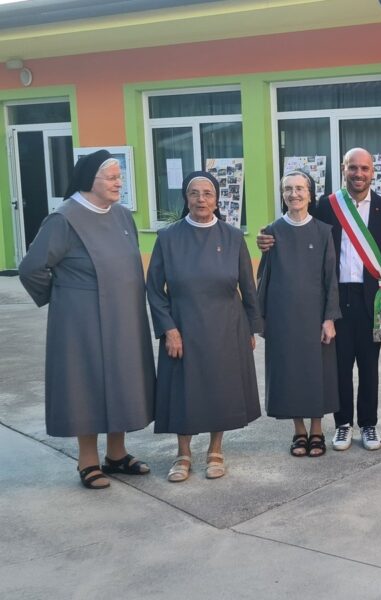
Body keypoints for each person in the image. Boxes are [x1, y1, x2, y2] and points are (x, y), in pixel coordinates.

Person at [18, 150, 155, 489]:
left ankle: (117, 454)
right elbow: (32, 268)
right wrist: (63, 296)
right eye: (111, 177)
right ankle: (88, 460)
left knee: (122, 379)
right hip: (81, 321)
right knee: (86, 383)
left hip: (124, 315)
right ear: (88, 180)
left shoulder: (122, 216)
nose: (118, 182)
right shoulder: (65, 219)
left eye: (119, 176)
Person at [258, 148, 381, 452]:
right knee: (338, 366)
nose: (358, 174)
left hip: (371, 297)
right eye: (353, 168)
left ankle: (369, 424)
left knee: (369, 366)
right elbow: (300, 225)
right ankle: (343, 425)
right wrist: (267, 238)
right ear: (343, 169)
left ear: (372, 172)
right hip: (337, 297)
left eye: (364, 168)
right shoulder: (328, 205)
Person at [146, 171, 262, 482]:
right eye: (194, 193)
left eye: (207, 193)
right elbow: (155, 289)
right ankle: (183, 453)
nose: (201, 199)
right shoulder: (168, 238)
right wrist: (168, 329)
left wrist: (252, 326)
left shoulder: (232, 236)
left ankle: (215, 450)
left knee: (220, 388)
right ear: (185, 198)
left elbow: (247, 287)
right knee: (183, 390)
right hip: (183, 326)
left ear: (217, 199)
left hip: (227, 325)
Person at [257, 171, 340, 457]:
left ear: (310, 193)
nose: (294, 194)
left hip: (315, 316)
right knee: (290, 373)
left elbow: (331, 278)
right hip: (282, 317)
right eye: (288, 189)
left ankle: (317, 430)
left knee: (317, 373)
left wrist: (329, 317)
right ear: (282, 195)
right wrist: (262, 319)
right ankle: (299, 432)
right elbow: (263, 278)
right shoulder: (271, 232)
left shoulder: (323, 231)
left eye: (300, 188)